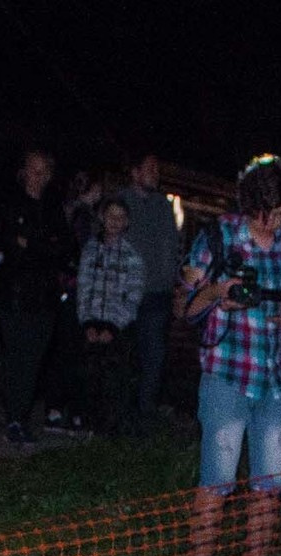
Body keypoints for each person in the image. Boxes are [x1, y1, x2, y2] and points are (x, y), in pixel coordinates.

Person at [177, 153, 281, 556]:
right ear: (253, 205)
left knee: (270, 484)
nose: (277, 220)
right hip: (226, 376)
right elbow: (186, 306)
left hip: (276, 381)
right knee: (217, 479)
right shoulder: (215, 239)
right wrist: (218, 293)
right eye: (272, 213)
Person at [0, 146, 70, 444]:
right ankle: (14, 419)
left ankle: (21, 417)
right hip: (14, 294)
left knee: (34, 360)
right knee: (16, 358)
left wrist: (32, 244)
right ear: (23, 171)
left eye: (45, 171)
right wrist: (37, 246)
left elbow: (61, 248)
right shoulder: (9, 203)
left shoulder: (53, 207)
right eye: (34, 170)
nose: (39, 177)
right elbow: (9, 246)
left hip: (45, 296)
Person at [76, 195, 143, 435]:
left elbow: (133, 298)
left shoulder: (132, 257)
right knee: (88, 378)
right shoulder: (90, 251)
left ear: (126, 222)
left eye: (120, 217)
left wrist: (113, 327)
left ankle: (110, 431)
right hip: (91, 325)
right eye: (111, 216)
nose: (115, 221)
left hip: (118, 329)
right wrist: (88, 323)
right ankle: (86, 425)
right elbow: (83, 289)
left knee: (113, 383)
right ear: (102, 218)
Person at [122, 153, 180, 421]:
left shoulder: (164, 206)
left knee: (153, 356)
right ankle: (120, 411)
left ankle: (145, 414)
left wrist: (172, 282)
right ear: (135, 172)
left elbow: (172, 247)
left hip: (158, 294)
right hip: (126, 294)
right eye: (150, 168)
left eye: (157, 168)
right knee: (125, 354)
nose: (156, 173)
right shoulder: (122, 202)